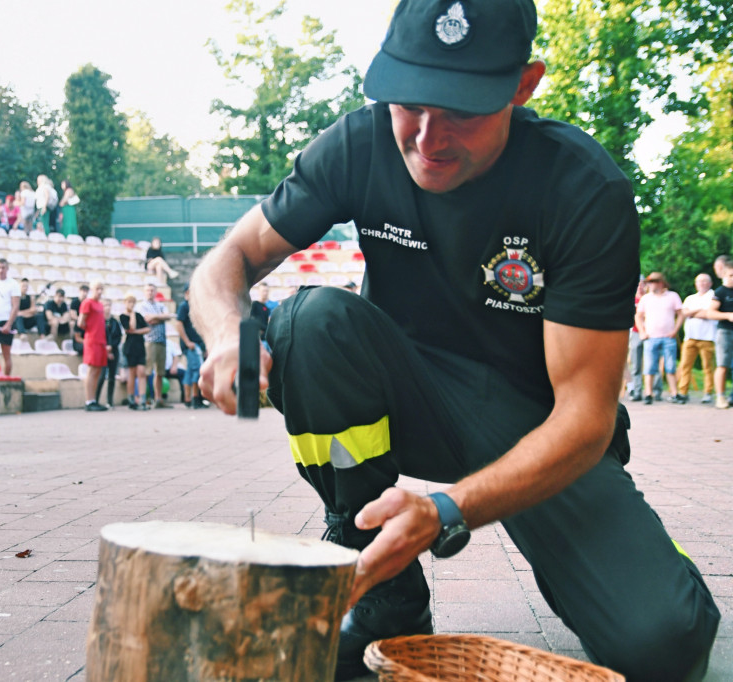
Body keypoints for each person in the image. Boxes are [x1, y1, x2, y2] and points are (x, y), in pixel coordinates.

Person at [188, 1, 720, 680]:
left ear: (523, 86)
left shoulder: (584, 189)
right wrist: (228, 335)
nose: (428, 138)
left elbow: (585, 419)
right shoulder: (360, 144)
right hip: (409, 394)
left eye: (462, 109)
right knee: (312, 322)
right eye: (408, 103)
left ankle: (650, 567)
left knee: (663, 645)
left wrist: (445, 511)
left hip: (539, 426)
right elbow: (227, 260)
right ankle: (384, 591)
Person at [636, 272, 684, 404]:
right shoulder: (646, 299)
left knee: (670, 366)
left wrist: (675, 330)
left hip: (668, 337)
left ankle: (674, 393)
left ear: (661, 282)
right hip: (651, 337)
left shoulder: (672, 296)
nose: (651, 284)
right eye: (650, 282)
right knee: (649, 367)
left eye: (654, 281)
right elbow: (638, 316)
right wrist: (642, 331)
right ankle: (648, 394)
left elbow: (680, 314)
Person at [677, 273, 718, 403]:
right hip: (690, 337)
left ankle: (708, 392)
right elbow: (684, 313)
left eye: (704, 281)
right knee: (685, 365)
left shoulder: (713, 296)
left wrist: (692, 312)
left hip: (707, 337)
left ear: (710, 283)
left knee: (708, 367)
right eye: (699, 281)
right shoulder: (690, 298)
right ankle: (683, 392)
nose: (702, 284)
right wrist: (699, 310)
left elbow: (709, 313)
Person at [138, 282, 173, 408]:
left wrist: (156, 318)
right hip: (149, 341)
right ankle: (146, 398)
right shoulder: (142, 306)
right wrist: (161, 318)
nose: (150, 292)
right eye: (148, 290)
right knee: (147, 371)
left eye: (152, 290)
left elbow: (168, 316)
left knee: (160, 372)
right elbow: (147, 319)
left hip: (161, 341)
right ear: (144, 292)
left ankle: (158, 399)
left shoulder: (160, 305)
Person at [174, 284, 208, 409]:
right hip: (191, 345)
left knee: (190, 371)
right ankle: (195, 398)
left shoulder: (195, 307)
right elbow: (178, 324)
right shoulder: (184, 306)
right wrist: (187, 342)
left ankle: (188, 399)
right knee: (197, 370)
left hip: (197, 343)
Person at [706, 256, 733, 409]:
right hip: (725, 332)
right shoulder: (721, 292)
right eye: (731, 275)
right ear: (725, 274)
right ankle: (720, 397)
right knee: (722, 365)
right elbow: (710, 313)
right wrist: (728, 316)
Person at [78, 281, 108, 411]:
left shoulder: (100, 305)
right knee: (91, 371)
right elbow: (81, 322)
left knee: (98, 370)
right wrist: (90, 331)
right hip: (92, 340)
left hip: (101, 340)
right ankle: (89, 401)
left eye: (101, 289)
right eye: (97, 289)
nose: (99, 291)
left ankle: (94, 399)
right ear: (92, 289)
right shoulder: (87, 303)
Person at [119, 293, 150, 410]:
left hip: (140, 346)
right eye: (129, 302)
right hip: (130, 347)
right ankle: (131, 399)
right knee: (132, 373)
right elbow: (130, 327)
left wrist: (137, 332)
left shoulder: (139, 315)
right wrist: (131, 314)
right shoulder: (123, 316)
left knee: (141, 372)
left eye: (133, 302)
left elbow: (147, 329)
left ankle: (142, 399)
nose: (131, 304)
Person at [96, 301, 123, 408]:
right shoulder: (100, 321)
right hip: (102, 351)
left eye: (109, 305)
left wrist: (112, 347)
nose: (107, 308)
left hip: (114, 351)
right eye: (105, 305)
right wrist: (106, 348)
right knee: (101, 376)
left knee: (112, 376)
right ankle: (95, 399)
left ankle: (110, 401)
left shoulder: (114, 322)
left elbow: (117, 336)